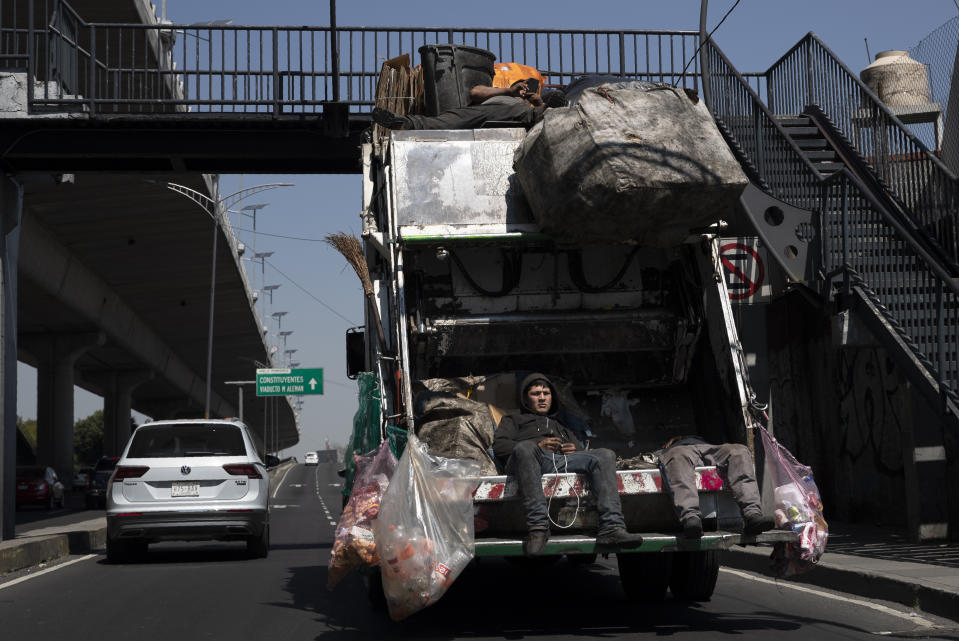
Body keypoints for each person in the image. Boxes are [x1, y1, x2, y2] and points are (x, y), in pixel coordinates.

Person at [492, 372, 644, 555]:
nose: (542, 398)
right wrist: (537, 445)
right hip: (527, 461)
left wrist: (574, 451)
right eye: (536, 393)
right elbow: (500, 446)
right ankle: (539, 528)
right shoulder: (513, 420)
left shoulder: (560, 425)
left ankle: (612, 527)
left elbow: (582, 453)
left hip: (559, 461)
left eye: (546, 393)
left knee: (604, 454)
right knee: (525, 448)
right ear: (525, 398)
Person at [659, 436, 775, 538]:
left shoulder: (699, 439)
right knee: (677, 457)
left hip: (706, 446)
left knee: (739, 451)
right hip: (680, 451)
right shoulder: (671, 449)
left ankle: (752, 515)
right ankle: (691, 519)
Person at [371, 79, 566, 131]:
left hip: (518, 115)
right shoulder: (501, 92)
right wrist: (509, 91)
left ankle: (550, 108)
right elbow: (475, 93)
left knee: (533, 115)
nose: (523, 90)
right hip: (482, 111)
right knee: (446, 121)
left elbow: (534, 111)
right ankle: (405, 123)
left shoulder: (524, 106)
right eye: (520, 86)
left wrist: (536, 101)